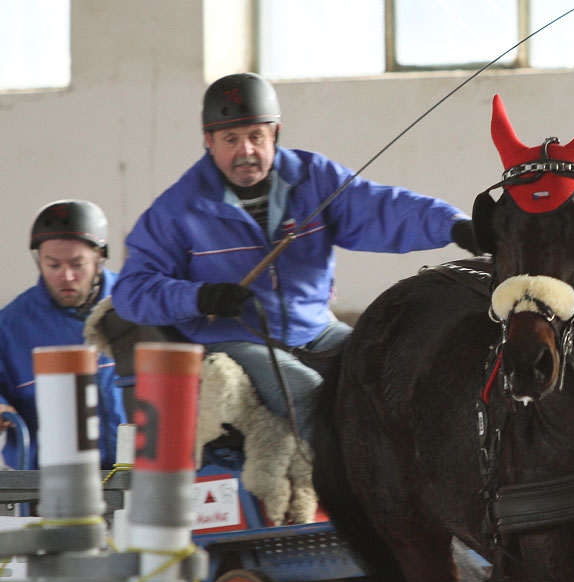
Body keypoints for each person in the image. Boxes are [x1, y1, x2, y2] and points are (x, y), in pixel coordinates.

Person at [113, 72, 478, 440]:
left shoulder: (314, 178)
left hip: (315, 327)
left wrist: (453, 226)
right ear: (209, 141)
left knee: (383, 370)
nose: (246, 151)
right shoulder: (177, 209)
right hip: (234, 339)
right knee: (306, 394)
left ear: (276, 133)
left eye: (256, 136)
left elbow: (380, 208)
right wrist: (201, 296)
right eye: (230, 139)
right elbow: (132, 291)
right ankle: (342, 491)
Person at [0, 200, 125, 470]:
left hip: (138, 479)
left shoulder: (137, 305)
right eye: (53, 265)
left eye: (77, 264)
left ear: (99, 257)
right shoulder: (9, 327)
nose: (66, 276)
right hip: (49, 488)